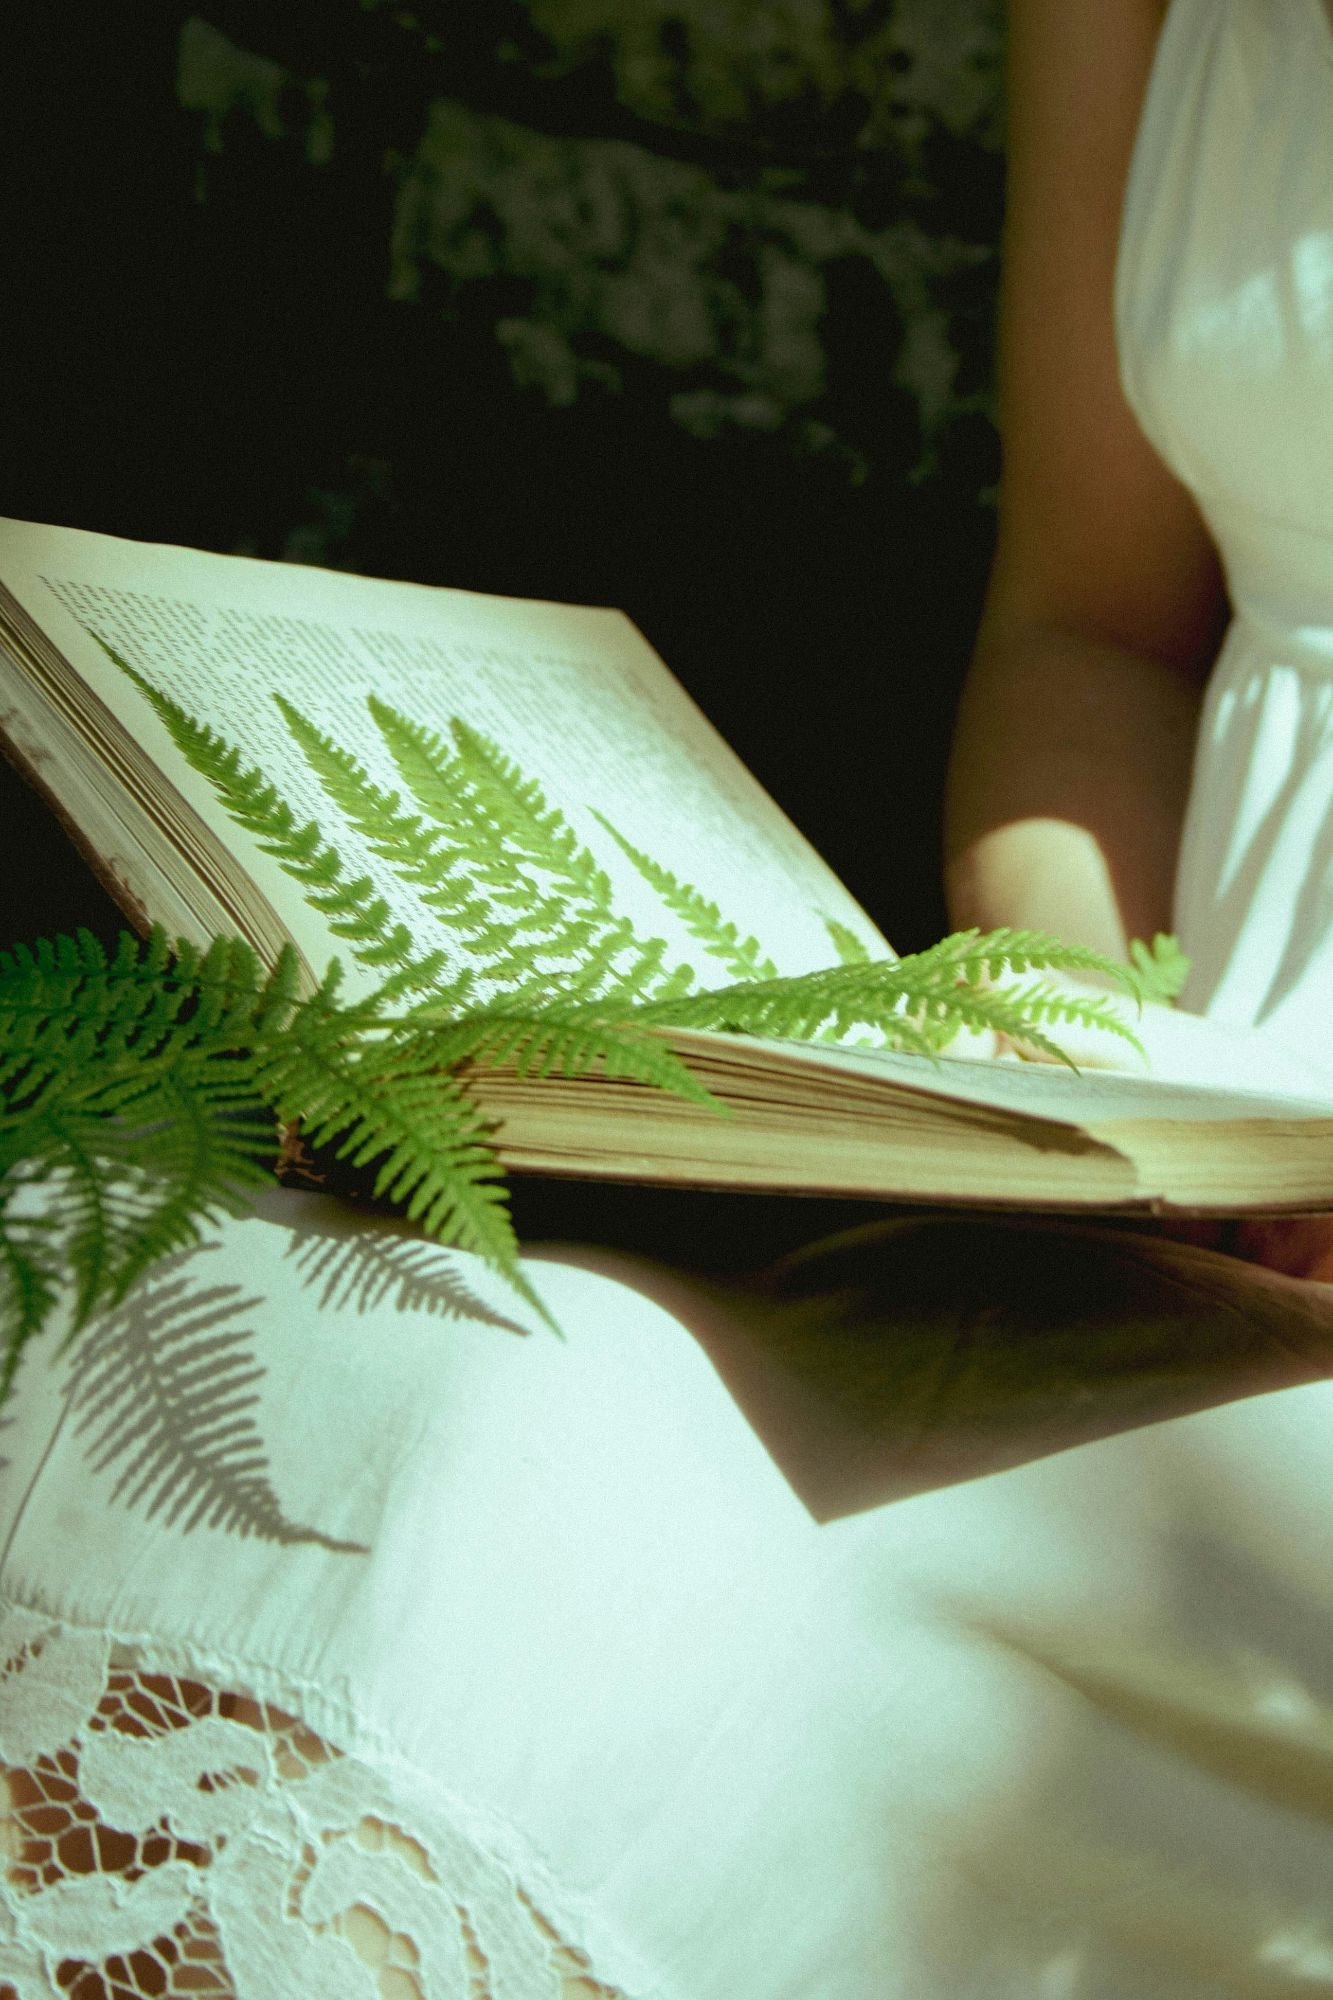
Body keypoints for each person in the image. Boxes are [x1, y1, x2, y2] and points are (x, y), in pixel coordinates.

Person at [6, 1, 1333, 1993]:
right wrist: (1064, 1061)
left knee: (534, 1499)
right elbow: (1093, 629)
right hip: (1200, 1168)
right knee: (199, 1320)